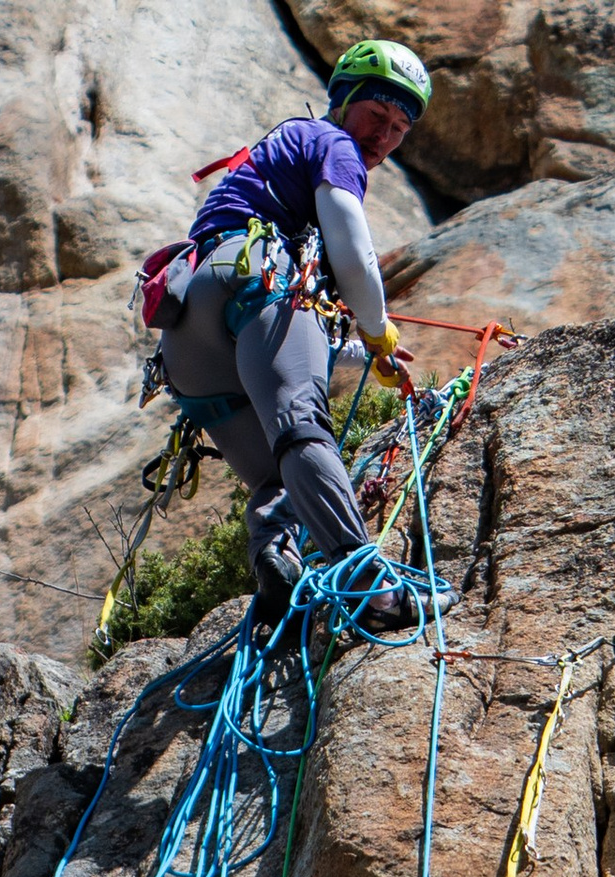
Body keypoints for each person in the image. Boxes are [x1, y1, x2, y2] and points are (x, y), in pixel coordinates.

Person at [153, 40, 436, 639]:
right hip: (257, 282)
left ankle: (275, 564)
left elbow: (296, 333)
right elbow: (354, 257)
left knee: (275, 478)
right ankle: (373, 590)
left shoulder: (274, 164)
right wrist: (379, 331)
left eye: (399, 128)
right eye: (376, 115)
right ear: (342, 102)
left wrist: (362, 352)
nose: (383, 136)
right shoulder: (332, 143)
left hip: (191, 338)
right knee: (304, 429)